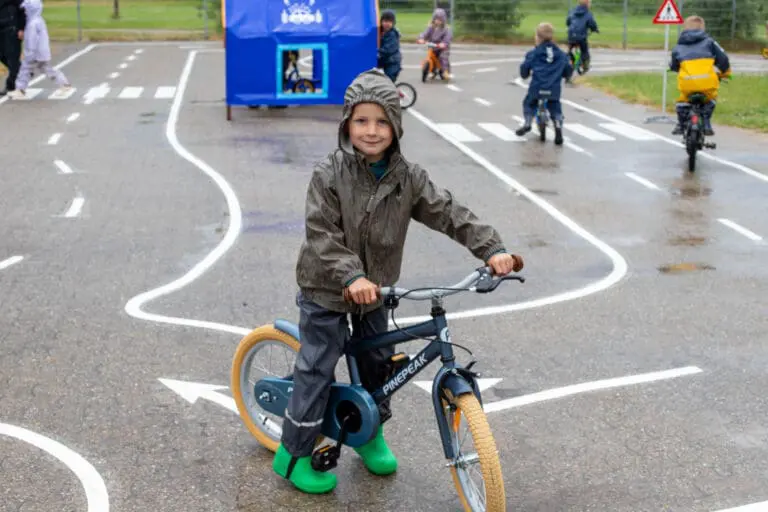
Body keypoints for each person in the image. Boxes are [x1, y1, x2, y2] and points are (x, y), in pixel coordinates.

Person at [271, 68, 524, 495]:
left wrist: (492, 249)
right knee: (317, 367)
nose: (372, 131)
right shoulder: (328, 173)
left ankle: (370, 434)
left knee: (378, 364)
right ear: (347, 124)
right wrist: (351, 275)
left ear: (397, 125)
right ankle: (292, 456)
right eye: (361, 121)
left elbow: (448, 212)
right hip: (327, 288)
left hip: (377, 292)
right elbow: (322, 234)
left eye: (382, 121)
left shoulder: (408, 177)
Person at [669, 15, 731, 136]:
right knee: (710, 99)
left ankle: (681, 125)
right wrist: (724, 73)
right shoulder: (710, 42)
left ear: (684, 29)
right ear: (702, 29)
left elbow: (674, 65)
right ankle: (707, 122)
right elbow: (723, 59)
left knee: (683, 100)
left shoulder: (678, 46)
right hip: (707, 82)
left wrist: (676, 68)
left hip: (687, 83)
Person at [515, 22, 574, 146]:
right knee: (555, 107)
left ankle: (527, 123)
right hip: (554, 88)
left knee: (529, 103)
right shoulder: (561, 54)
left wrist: (524, 74)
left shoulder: (534, 53)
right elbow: (568, 70)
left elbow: (524, 68)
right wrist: (564, 74)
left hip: (537, 87)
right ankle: (558, 125)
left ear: (538, 37)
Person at [7, 0, 70, 99]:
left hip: (34, 53)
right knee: (47, 68)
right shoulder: (39, 20)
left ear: (31, 9)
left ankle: (20, 90)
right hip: (41, 52)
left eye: (26, 9)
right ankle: (64, 84)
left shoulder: (32, 24)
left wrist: (29, 54)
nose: (25, 12)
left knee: (25, 69)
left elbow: (32, 40)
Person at [417, 8, 452, 80]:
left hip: (442, 48)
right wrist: (421, 38)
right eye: (436, 19)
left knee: (443, 57)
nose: (438, 21)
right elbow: (425, 34)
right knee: (430, 57)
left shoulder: (446, 29)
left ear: (443, 20)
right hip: (433, 46)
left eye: (440, 20)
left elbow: (447, 38)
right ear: (433, 19)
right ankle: (432, 71)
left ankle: (445, 71)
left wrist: (444, 43)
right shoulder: (431, 27)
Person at [566, 0, 599, 72]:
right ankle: (585, 65)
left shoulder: (572, 11)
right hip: (581, 37)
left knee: (569, 48)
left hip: (571, 35)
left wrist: (570, 26)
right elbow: (592, 23)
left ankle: (569, 57)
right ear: (587, 4)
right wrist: (595, 29)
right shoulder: (588, 13)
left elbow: (568, 21)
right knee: (584, 51)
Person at [0, 0, 25, 96]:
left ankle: (10, 85)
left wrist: (21, 28)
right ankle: (21, 70)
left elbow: (22, 11)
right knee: (2, 55)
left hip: (12, 29)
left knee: (12, 57)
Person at [377, 9, 401, 83]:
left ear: (393, 23)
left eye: (389, 21)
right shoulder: (379, 31)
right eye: (385, 21)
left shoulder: (392, 35)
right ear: (381, 22)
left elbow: (387, 50)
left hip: (392, 62)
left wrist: (376, 51)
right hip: (385, 60)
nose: (387, 23)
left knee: (388, 82)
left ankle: (392, 93)